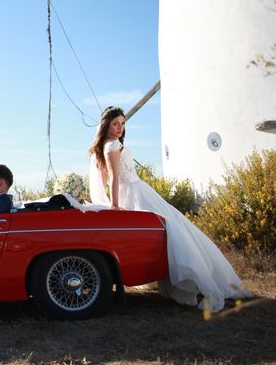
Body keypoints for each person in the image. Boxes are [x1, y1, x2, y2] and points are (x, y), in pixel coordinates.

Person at [88, 106, 250, 312]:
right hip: (133, 192)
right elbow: (114, 176)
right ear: (106, 125)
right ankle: (193, 277)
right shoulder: (112, 145)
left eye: (122, 123)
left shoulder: (107, 144)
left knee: (170, 230)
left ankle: (184, 278)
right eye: (115, 123)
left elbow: (106, 176)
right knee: (172, 230)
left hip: (136, 191)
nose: (120, 127)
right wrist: (114, 205)